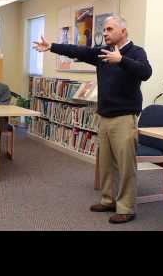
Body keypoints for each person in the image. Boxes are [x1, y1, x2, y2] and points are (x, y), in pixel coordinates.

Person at [33, 14, 152, 224]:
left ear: (122, 31)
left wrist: (121, 60)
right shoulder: (101, 53)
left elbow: (146, 72)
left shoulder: (136, 52)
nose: (105, 33)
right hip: (104, 116)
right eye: (104, 29)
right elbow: (79, 51)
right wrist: (51, 46)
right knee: (105, 164)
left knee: (125, 166)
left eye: (109, 29)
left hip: (124, 118)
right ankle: (108, 200)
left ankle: (126, 208)